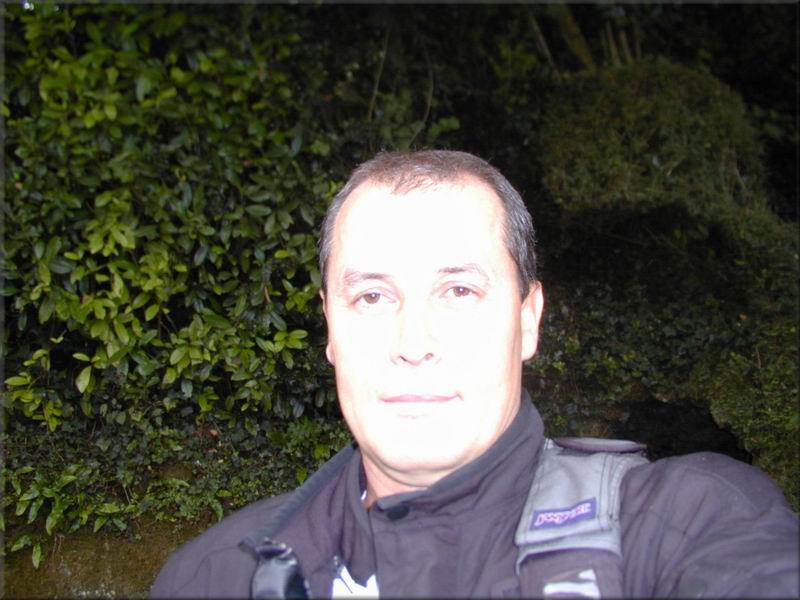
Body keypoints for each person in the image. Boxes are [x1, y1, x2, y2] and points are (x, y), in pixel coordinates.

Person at [151, 150, 799, 598]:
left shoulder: (684, 524)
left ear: (528, 319)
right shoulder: (213, 577)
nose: (413, 343)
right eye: (372, 296)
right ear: (330, 329)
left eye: (459, 291)